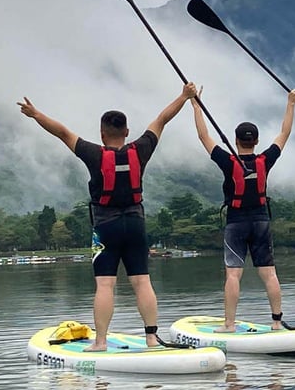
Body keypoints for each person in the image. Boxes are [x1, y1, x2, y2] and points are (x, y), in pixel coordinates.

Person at [17, 82, 197, 350]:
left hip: (105, 226)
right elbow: (162, 119)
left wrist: (36, 114)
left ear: (102, 134)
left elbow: (62, 133)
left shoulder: (94, 154)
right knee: (142, 281)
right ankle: (151, 338)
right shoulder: (142, 149)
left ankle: (100, 342)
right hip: (136, 224)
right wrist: (184, 96)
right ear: (126, 132)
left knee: (104, 284)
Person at [192, 89, 295, 332]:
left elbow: (203, 135)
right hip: (261, 221)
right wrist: (291, 104)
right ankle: (276, 322)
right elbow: (285, 133)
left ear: (236, 140)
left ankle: (229, 325)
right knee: (269, 274)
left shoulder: (227, 161)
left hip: (236, 223)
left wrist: (196, 106)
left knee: (233, 276)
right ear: (257, 141)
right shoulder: (265, 160)